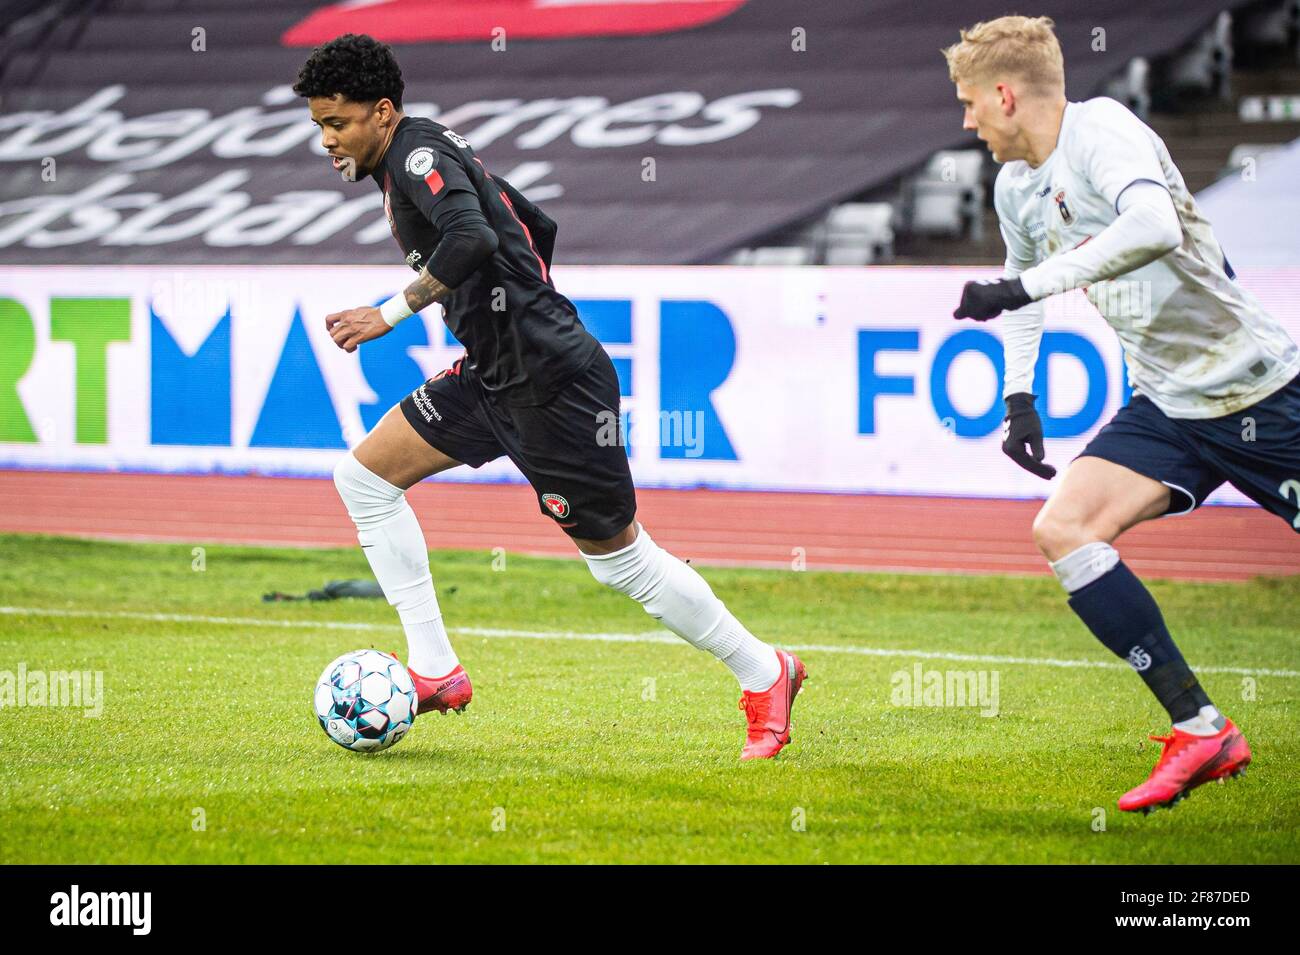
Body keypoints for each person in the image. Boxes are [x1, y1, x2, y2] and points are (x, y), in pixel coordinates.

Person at [292, 33, 806, 760]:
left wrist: (391, 313)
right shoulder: (422, 151)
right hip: (497, 370)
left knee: (620, 562)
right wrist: (517, 315)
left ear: (381, 112)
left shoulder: (416, 157)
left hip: (552, 383)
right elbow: (536, 224)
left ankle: (766, 670)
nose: (326, 139)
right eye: (317, 125)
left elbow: (471, 236)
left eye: (336, 122)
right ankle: (436, 668)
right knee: (365, 477)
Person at [945, 15, 1299, 812]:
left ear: (1006, 94)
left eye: (969, 103)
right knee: (1063, 527)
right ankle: (1202, 726)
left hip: (1261, 392)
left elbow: (1154, 225)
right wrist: (1020, 396)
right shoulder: (1014, 186)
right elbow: (1020, 282)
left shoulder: (1103, 130)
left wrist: (1027, 287)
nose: (967, 122)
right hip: (1168, 405)